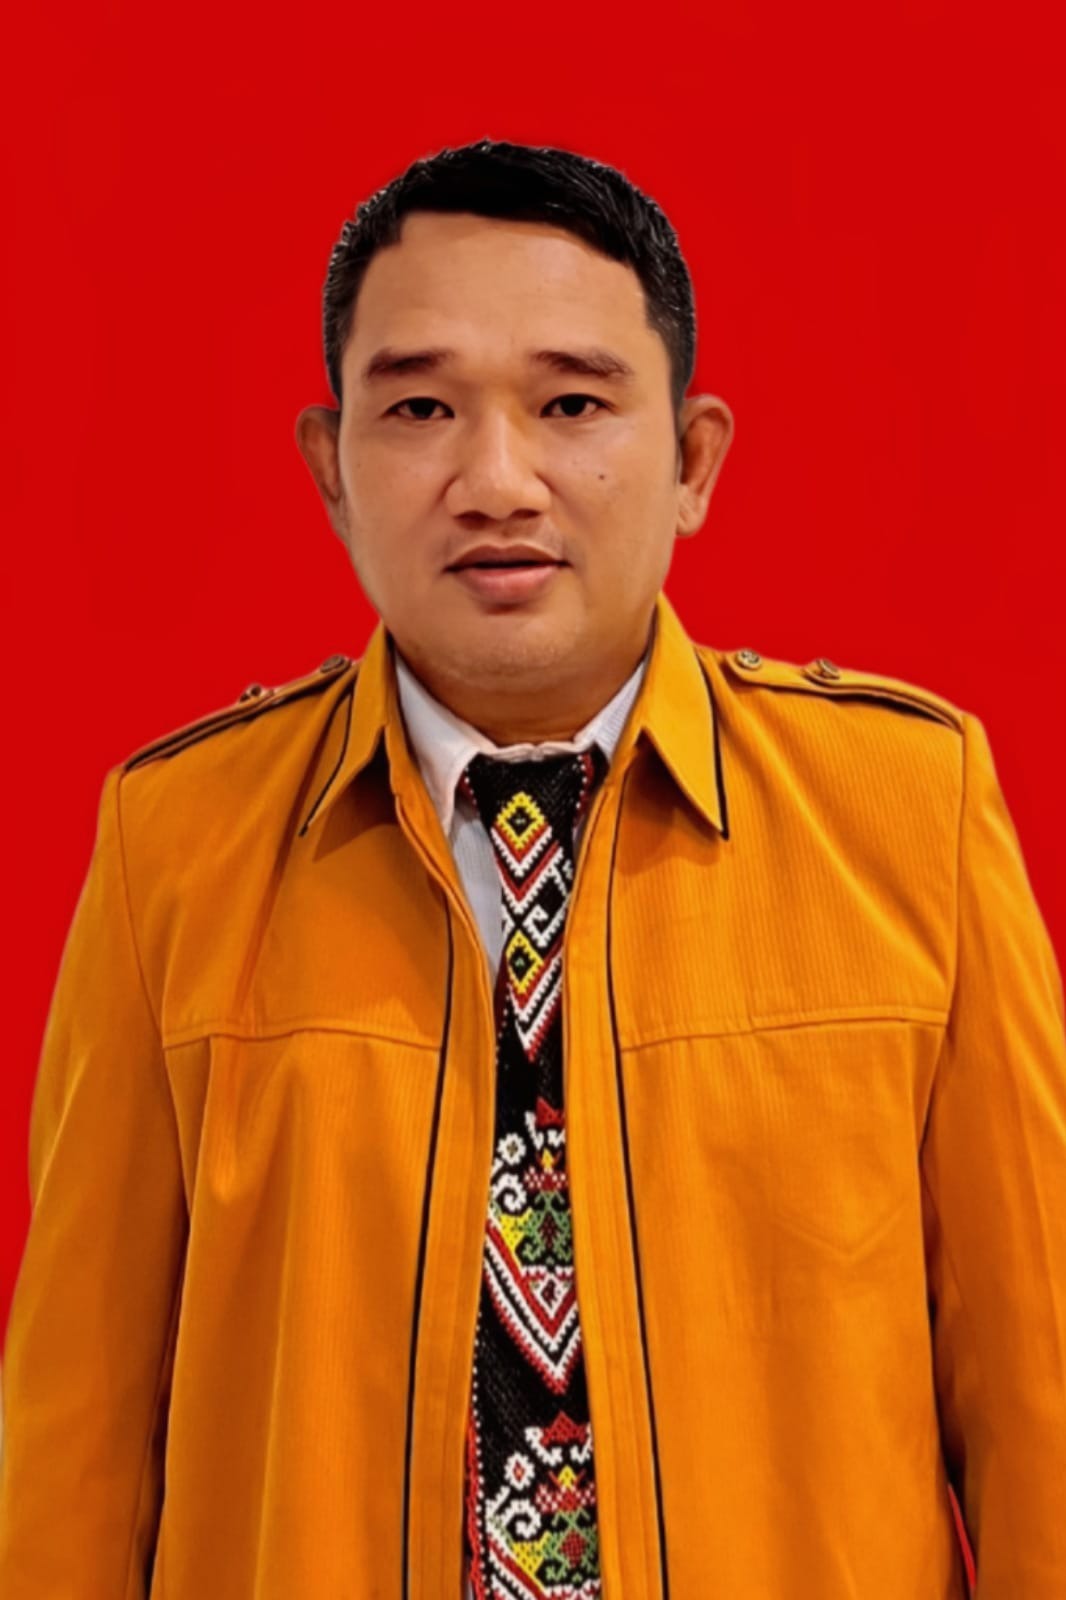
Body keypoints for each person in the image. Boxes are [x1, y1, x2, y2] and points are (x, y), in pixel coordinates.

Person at [1, 137, 1063, 1600]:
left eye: (570, 403)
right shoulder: (177, 843)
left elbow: (1039, 1403)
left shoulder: (905, 813)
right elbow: (77, 1444)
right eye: (420, 408)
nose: (496, 481)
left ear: (692, 460)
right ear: (331, 468)